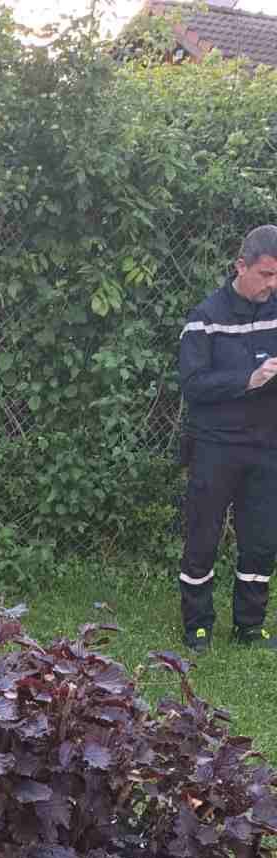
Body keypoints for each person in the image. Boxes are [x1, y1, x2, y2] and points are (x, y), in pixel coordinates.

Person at [178, 224, 277, 654]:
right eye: (266, 275)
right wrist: (249, 379)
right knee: (203, 536)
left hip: (267, 446)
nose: (272, 285)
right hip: (215, 446)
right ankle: (198, 626)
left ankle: (250, 627)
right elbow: (193, 384)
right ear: (241, 266)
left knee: (261, 540)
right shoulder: (205, 317)